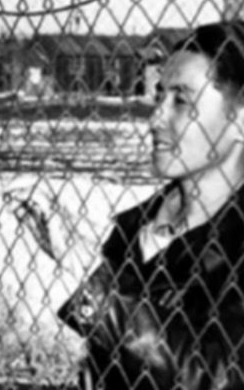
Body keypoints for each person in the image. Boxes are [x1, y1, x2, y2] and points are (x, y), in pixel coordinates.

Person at [59, 21, 244, 390]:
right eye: (159, 97)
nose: (155, 117)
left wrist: (92, 284)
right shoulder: (133, 229)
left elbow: (219, 374)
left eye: (182, 101)